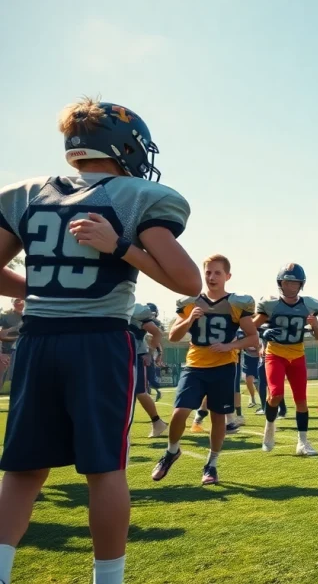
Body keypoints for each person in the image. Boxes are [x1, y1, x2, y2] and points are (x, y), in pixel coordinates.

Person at [0, 98, 199, 584]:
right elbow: (188, 281)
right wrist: (121, 246)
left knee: (23, 472)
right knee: (104, 470)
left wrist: (39, 291)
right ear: (124, 146)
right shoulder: (135, 196)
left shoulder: (26, 193)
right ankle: (108, 579)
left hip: (38, 342)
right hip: (99, 342)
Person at [152, 255, 258, 485]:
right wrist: (189, 319)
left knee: (218, 419)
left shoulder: (236, 304)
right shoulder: (191, 302)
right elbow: (173, 336)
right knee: (180, 412)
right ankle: (172, 451)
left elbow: (253, 337)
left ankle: (211, 464)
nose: (211, 277)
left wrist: (230, 345)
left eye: (217, 273)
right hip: (195, 365)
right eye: (208, 272)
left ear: (227, 276)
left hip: (223, 367)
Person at [253, 264, 318, 455]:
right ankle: (269, 428)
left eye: (294, 283)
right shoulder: (271, 305)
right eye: (287, 282)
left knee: (301, 400)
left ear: (301, 284)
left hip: (298, 355)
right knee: (275, 395)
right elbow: (250, 327)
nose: (291, 286)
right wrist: (263, 331)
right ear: (280, 283)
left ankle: (302, 443)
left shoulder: (309, 305)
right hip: (275, 354)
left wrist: (315, 325)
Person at [128, 303, 167, 437]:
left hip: (136, 356)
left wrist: (150, 353)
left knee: (140, 391)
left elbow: (157, 333)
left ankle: (157, 422)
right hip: (119, 356)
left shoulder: (136, 310)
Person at [0, 298, 24, 388]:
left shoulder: (29, 315)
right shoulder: (5, 315)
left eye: (21, 300)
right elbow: (1, 335)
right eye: (16, 300)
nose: (19, 302)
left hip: (25, 351)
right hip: (7, 351)